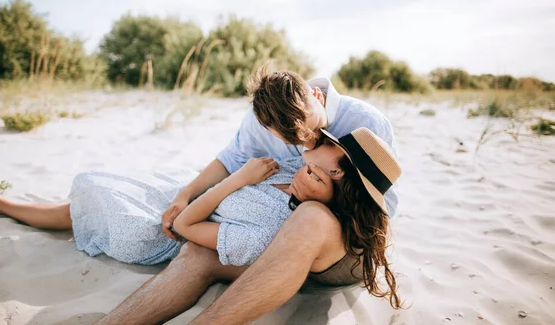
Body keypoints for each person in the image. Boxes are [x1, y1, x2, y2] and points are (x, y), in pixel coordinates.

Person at [96, 67, 401, 324]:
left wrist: (323, 200)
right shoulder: (263, 121)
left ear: (318, 98)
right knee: (196, 253)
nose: (307, 145)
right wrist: (185, 194)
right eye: (293, 141)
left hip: (342, 253)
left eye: (316, 135)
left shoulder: (366, 122)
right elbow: (231, 161)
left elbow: (379, 216)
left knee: (311, 217)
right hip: (279, 251)